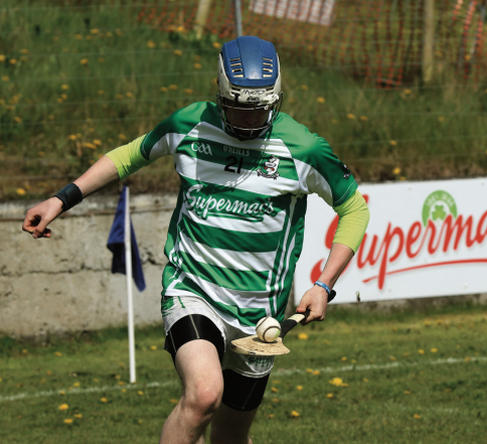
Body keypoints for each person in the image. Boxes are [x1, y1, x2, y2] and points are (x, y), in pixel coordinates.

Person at [22, 36, 370, 444]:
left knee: (231, 436)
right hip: (192, 289)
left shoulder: (304, 149)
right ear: (221, 96)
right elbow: (129, 155)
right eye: (238, 110)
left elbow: (354, 208)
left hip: (261, 316)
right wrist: (62, 199)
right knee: (204, 395)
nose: (248, 122)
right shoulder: (190, 124)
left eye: (258, 111)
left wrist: (324, 284)